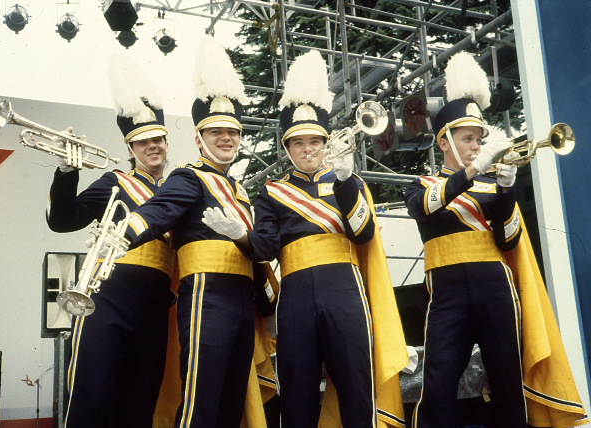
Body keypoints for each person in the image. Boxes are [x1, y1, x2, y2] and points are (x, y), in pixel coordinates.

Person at [202, 50, 409, 428]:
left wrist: (346, 182)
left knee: (355, 387)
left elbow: (362, 233)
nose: (308, 149)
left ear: (326, 142)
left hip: (345, 291)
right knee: (296, 392)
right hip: (294, 297)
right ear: (288, 149)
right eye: (298, 143)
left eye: (315, 141)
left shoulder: (349, 181)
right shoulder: (272, 192)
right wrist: (240, 236)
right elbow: (266, 248)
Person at [404, 51, 588, 428]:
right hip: (446, 293)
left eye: (479, 139)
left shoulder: (490, 184)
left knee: (506, 379)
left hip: (495, 288)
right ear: (444, 142)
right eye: (467, 138)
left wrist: (506, 190)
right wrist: (474, 170)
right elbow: (425, 207)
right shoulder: (424, 184)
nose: (476, 145)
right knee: (437, 384)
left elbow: (508, 241)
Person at [122, 36, 275, 428]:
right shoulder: (189, 177)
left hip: (243, 298)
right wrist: (126, 232)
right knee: (200, 399)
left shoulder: (241, 190)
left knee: (230, 402)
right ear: (198, 139)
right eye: (215, 133)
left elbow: (262, 248)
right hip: (207, 294)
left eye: (233, 133)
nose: (226, 138)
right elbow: (158, 210)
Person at [46, 54, 175, 428]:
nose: (153, 146)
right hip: (110, 291)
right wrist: (66, 172)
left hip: (155, 303)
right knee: (93, 391)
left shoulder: (179, 188)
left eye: (158, 140)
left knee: (142, 397)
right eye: (142, 141)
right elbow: (63, 220)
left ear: (167, 144)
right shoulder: (116, 181)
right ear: (130, 148)